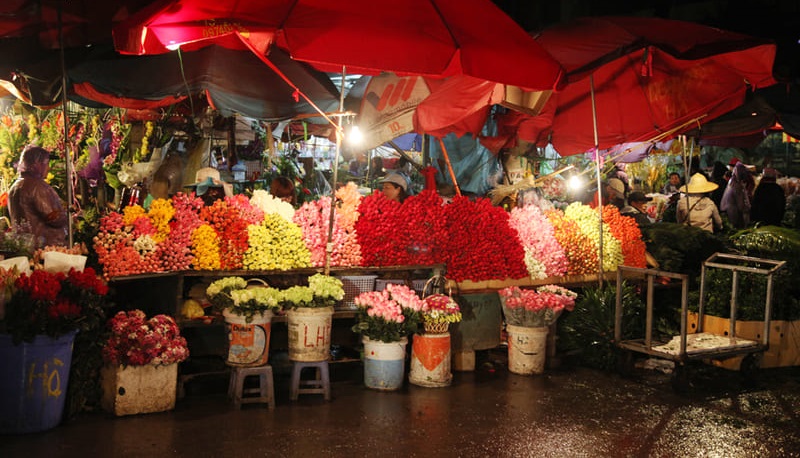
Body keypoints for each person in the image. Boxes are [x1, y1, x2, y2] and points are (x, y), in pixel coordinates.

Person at [7, 145, 68, 248]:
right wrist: (69, 216)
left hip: (25, 247)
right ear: (36, 164)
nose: (48, 168)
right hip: (45, 248)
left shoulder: (15, 186)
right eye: (46, 163)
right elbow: (52, 217)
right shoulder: (36, 186)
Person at [720, 161, 753, 229]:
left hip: (727, 211)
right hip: (733, 213)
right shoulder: (737, 186)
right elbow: (741, 205)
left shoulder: (731, 182)